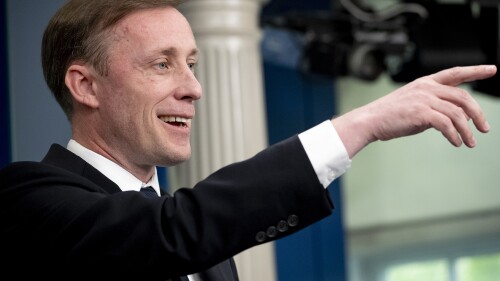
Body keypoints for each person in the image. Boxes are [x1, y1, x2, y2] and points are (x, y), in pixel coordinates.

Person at [0, 0, 496, 280]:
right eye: (161, 64)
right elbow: (168, 233)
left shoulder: (205, 244)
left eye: (192, 64)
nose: (193, 88)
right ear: (85, 85)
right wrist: (359, 124)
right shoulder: (26, 201)